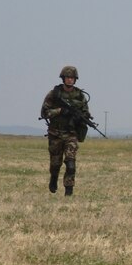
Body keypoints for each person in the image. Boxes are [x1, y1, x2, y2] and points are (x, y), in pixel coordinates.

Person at [40, 65, 94, 196]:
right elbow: (44, 113)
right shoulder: (54, 94)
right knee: (55, 164)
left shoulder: (80, 95)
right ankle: (53, 179)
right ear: (63, 78)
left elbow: (85, 112)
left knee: (71, 164)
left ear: (75, 80)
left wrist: (80, 118)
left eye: (72, 78)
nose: (70, 80)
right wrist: (60, 111)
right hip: (55, 134)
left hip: (71, 134)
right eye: (67, 77)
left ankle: (68, 192)